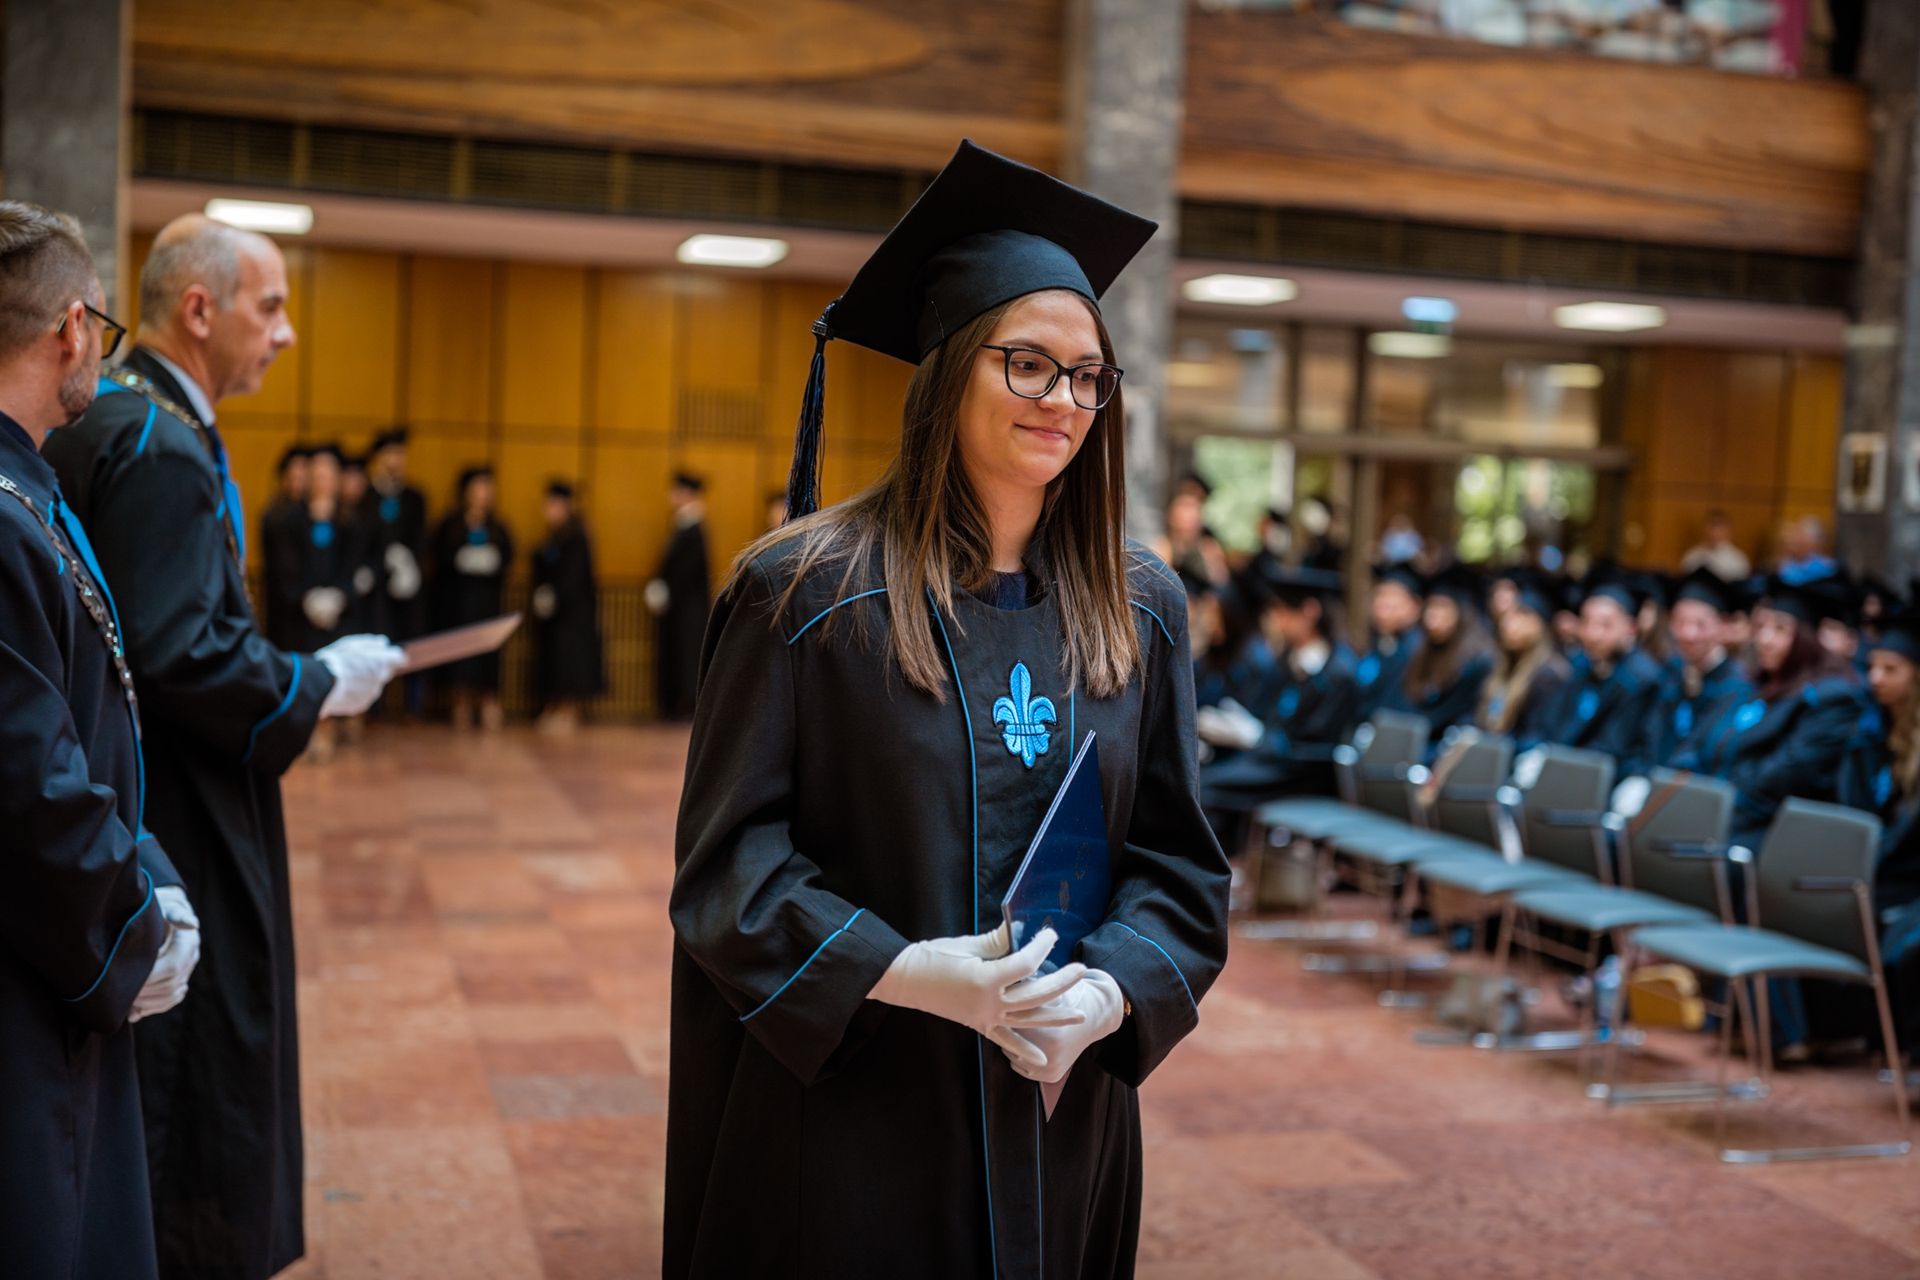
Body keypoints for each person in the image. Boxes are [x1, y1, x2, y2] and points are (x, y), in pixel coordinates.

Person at [666, 140, 1229, 1279]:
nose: (1062, 399)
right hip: (863, 1101)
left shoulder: (1140, 606)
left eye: (1088, 375)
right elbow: (730, 866)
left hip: (1059, 1106)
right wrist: (905, 971)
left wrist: (1111, 991)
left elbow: (1179, 862)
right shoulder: (807, 595)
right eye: (1028, 363)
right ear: (951, 370)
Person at [43, 212, 404, 1280]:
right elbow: (183, 653)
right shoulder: (159, 443)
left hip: (130, 786)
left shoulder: (116, 415)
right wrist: (314, 683)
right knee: (195, 1072)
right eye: (272, 306)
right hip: (183, 809)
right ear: (200, 310)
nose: (285, 333)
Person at [0, 198, 201, 1280]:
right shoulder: (4, 518)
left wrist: (143, 865)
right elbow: (24, 780)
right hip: (29, 970)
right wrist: (132, 922)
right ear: (72, 328)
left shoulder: (27, 487)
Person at [1198, 563, 1360, 852]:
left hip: (1300, 774)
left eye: (1282, 611)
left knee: (1207, 789)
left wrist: (1259, 738)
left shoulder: (1339, 673)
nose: (1275, 620)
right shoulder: (1287, 662)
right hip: (1272, 760)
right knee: (1200, 776)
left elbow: (1315, 741)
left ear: (1309, 612)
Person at [1836, 607, 1920, 1056]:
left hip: (1907, 872)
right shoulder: (1870, 730)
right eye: (1872, 667)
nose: (1875, 679)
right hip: (1879, 863)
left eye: (1891, 669)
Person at [1625, 566, 1754, 777]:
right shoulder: (1670, 672)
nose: (1688, 634)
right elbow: (1646, 737)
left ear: (1722, 626)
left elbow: (1708, 750)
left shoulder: (1736, 685)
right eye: (1680, 622)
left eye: (1700, 624)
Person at [1536, 572, 1662, 764]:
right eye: (1586, 622)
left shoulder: (1641, 679)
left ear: (1630, 628)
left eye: (1606, 625)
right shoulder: (1579, 666)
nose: (1592, 634)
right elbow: (1549, 724)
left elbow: (1615, 747)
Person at [430, 463, 513, 731]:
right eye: (478, 487)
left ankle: (488, 702)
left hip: (487, 603)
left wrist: (492, 561)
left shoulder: (497, 526)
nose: (483, 493)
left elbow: (508, 557)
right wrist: (460, 559)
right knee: (460, 653)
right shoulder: (452, 524)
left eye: (487, 487)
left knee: (488, 653)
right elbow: (439, 557)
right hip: (459, 603)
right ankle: (460, 702)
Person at [531, 479, 604, 734]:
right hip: (556, 614)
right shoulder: (553, 536)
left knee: (571, 662)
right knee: (555, 663)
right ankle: (554, 706)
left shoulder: (578, 536)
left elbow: (574, 576)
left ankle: (569, 710)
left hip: (574, 614)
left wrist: (556, 596)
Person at [365, 426, 429, 715]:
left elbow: (421, 538)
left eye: (400, 454)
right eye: (390, 453)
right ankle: (374, 707)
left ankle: (412, 707)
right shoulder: (368, 497)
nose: (396, 460)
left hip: (408, 585)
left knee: (411, 642)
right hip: (377, 586)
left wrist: (408, 562)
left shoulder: (414, 498)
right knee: (377, 642)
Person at [1389, 562, 1494, 739]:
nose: (1433, 618)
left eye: (1443, 609)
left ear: (1461, 613)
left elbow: (1451, 714)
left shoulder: (1476, 661)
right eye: (1431, 608)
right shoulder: (1419, 650)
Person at [1476, 571, 1571, 746]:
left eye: (1521, 615)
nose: (1508, 623)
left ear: (1540, 624)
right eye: (1508, 615)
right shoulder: (1501, 665)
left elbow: (1536, 735)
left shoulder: (1549, 675)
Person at [646, 470, 711, 720]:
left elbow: (687, 571)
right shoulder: (681, 525)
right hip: (678, 608)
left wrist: (666, 589)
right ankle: (673, 706)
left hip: (689, 610)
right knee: (675, 657)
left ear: (686, 494)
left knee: (687, 659)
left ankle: (685, 708)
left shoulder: (694, 529)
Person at [1355, 562, 1424, 721]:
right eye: (1379, 596)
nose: (1381, 607)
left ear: (1414, 606)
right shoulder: (1374, 645)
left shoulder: (1419, 650)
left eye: (1392, 598)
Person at [258, 442, 310, 647]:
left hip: (307, 599)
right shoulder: (274, 514)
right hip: (281, 596)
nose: (298, 480)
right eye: (294, 475)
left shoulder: (312, 513)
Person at [1680, 508, 1751, 582]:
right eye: (1711, 525)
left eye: (1719, 526)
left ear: (1728, 530)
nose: (1714, 531)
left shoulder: (1738, 559)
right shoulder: (1692, 555)